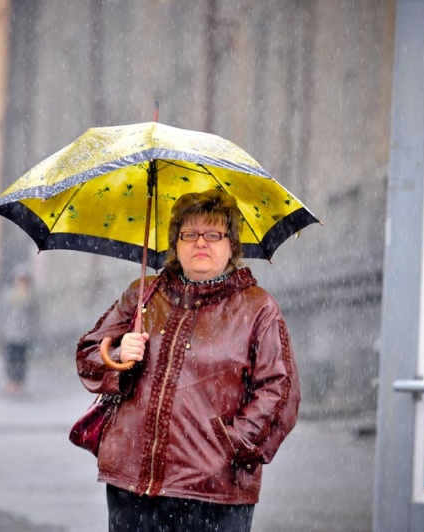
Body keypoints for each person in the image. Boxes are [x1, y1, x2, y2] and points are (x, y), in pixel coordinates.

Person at [76, 189, 301, 531]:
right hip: (132, 485)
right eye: (189, 234)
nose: (201, 243)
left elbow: (280, 391)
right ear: (175, 243)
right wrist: (119, 354)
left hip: (214, 493)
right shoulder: (144, 294)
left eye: (213, 234)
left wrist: (230, 447)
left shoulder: (258, 308)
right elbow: (89, 354)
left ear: (231, 245)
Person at [0, 268, 37, 396]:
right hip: (10, 333)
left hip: (24, 334)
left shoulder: (31, 297)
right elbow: (1, 313)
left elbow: (35, 317)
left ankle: (19, 382)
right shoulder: (8, 295)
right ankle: (11, 381)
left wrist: (33, 331)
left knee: (21, 360)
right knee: (10, 358)